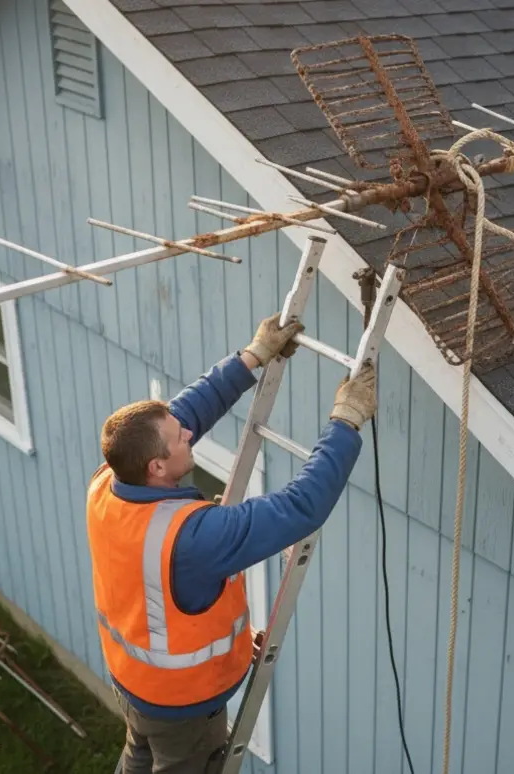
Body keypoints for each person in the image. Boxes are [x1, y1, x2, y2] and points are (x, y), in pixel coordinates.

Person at [86, 313, 377, 774]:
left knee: (137, 759)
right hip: (181, 707)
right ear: (157, 469)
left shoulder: (107, 482)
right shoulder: (192, 537)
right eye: (177, 436)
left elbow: (186, 412)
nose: (187, 430)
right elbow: (300, 507)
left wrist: (252, 358)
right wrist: (347, 421)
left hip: (132, 681)